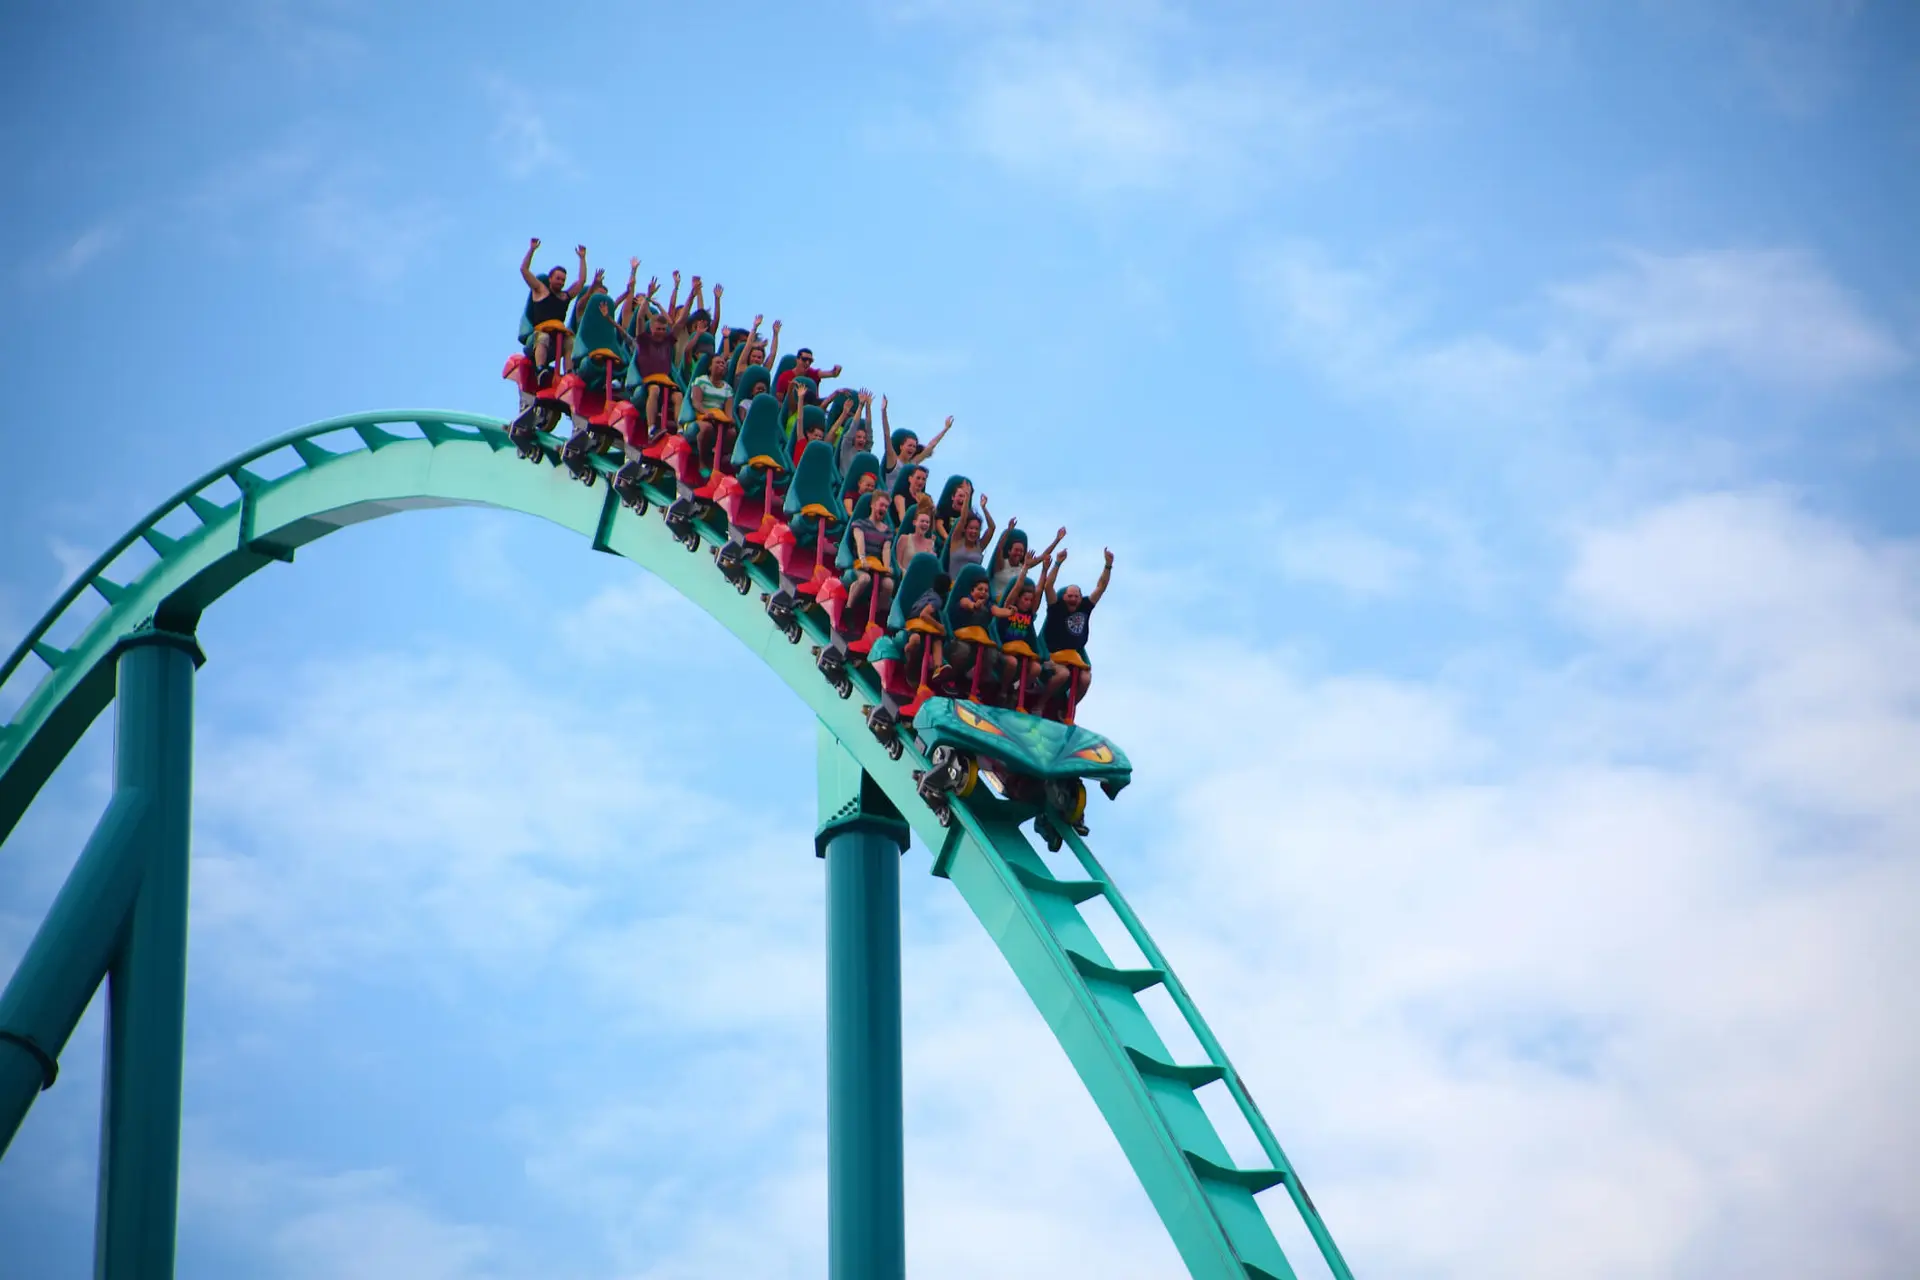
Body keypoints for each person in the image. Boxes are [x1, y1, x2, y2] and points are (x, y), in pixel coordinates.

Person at [1040, 548, 1113, 720]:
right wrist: (1057, 563)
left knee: (1086, 679)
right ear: (1063, 597)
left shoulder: (1084, 607)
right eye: (1069, 596)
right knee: (1063, 674)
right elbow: (1048, 586)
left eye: (1076, 596)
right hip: (1053, 656)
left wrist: (1108, 565)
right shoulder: (1056, 608)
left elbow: (1101, 587)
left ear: (1081, 598)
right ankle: (1041, 703)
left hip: (1074, 656)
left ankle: (1067, 708)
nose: (1073, 599)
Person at [992, 559, 1053, 711]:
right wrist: (1025, 568)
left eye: (1030, 601)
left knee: (1036, 669)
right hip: (1004, 651)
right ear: (1018, 598)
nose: (1028, 603)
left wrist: (1044, 570)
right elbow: (1017, 587)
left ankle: (1017, 692)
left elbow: (1039, 591)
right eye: (1025, 599)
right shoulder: (1009, 608)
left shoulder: (1030, 614)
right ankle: (1003, 691)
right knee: (1012, 662)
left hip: (1024, 653)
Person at [519, 238, 587, 370]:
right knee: (543, 337)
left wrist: (582, 258)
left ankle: (568, 373)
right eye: (558, 279)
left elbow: (581, 281)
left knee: (569, 341)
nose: (561, 282)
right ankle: (540, 369)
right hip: (538, 337)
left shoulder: (564, 296)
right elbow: (524, 270)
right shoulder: (540, 291)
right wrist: (531, 250)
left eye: (563, 280)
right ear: (550, 279)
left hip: (558, 338)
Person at [843, 490, 896, 636]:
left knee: (889, 585)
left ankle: (876, 614)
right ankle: (848, 608)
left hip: (877, 567)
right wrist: (862, 559)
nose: (883, 509)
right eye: (881, 505)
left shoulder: (887, 531)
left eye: (886, 507)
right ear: (873, 505)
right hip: (860, 565)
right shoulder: (860, 524)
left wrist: (886, 567)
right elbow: (860, 542)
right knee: (864, 579)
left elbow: (886, 550)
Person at [630, 300, 680, 434]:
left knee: (678, 396)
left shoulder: (667, 342)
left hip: (665, 383)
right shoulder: (644, 341)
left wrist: (692, 296)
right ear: (651, 328)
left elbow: (678, 323)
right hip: (648, 383)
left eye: (663, 330)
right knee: (655, 389)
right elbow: (640, 317)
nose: (661, 332)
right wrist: (648, 297)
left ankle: (680, 429)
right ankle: (651, 428)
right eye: (658, 329)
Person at [880, 397, 952, 490]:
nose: (912, 448)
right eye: (909, 445)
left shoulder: (912, 463)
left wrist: (945, 429)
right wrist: (883, 411)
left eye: (914, 446)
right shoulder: (893, 461)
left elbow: (931, 445)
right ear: (901, 446)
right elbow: (886, 435)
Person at [989, 522, 1067, 603]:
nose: (1018, 553)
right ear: (1009, 551)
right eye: (1016, 550)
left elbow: (1043, 556)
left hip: (1014, 603)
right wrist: (1008, 531)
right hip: (998, 601)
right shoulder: (1001, 564)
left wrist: (1057, 539)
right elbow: (999, 549)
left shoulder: (1023, 566)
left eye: (1021, 551)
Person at [690, 352, 734, 467]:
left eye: (723, 363)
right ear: (710, 367)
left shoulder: (728, 389)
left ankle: (718, 462)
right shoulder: (701, 381)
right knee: (707, 428)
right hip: (702, 415)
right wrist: (706, 412)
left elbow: (729, 412)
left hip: (719, 419)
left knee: (732, 433)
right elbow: (696, 402)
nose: (721, 365)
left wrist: (729, 420)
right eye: (718, 362)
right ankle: (702, 462)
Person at [946, 496, 997, 575]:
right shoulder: (956, 541)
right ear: (965, 529)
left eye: (977, 529)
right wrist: (966, 499)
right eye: (971, 528)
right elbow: (963, 519)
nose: (974, 531)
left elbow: (992, 528)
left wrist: (983, 507)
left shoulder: (979, 546)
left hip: (973, 585)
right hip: (954, 585)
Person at [775, 347, 842, 403]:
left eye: (810, 361)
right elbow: (779, 401)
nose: (807, 363)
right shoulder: (785, 377)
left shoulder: (811, 373)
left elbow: (832, 374)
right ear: (797, 360)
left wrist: (835, 370)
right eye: (804, 359)